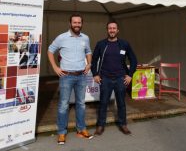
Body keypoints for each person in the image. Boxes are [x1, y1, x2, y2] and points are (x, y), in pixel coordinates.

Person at [47, 13, 93, 145]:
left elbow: (88, 51)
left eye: (79, 23)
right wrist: (55, 67)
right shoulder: (62, 37)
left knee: (81, 104)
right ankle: (61, 133)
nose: (77, 25)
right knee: (63, 105)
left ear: (81, 24)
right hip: (66, 76)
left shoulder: (85, 38)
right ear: (70, 23)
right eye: (75, 22)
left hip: (81, 76)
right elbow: (50, 50)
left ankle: (81, 130)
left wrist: (89, 64)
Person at [91, 20, 137, 136]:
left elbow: (133, 60)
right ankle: (100, 126)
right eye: (110, 28)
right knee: (103, 103)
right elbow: (94, 59)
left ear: (117, 30)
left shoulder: (124, 44)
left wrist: (130, 75)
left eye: (114, 28)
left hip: (120, 79)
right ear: (107, 30)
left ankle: (123, 124)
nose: (112, 30)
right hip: (105, 79)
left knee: (121, 103)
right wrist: (95, 74)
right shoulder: (101, 44)